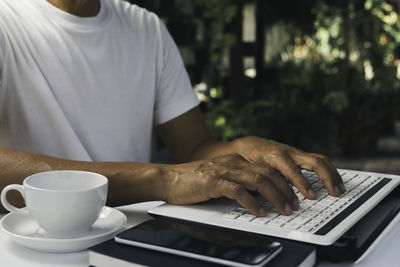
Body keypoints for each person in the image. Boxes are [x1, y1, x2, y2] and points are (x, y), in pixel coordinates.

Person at [0, 0, 345, 215]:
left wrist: (246, 148)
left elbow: (195, 149)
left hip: (135, 239)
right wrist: (162, 179)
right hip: (35, 248)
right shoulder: (6, 20)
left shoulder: (145, 27)